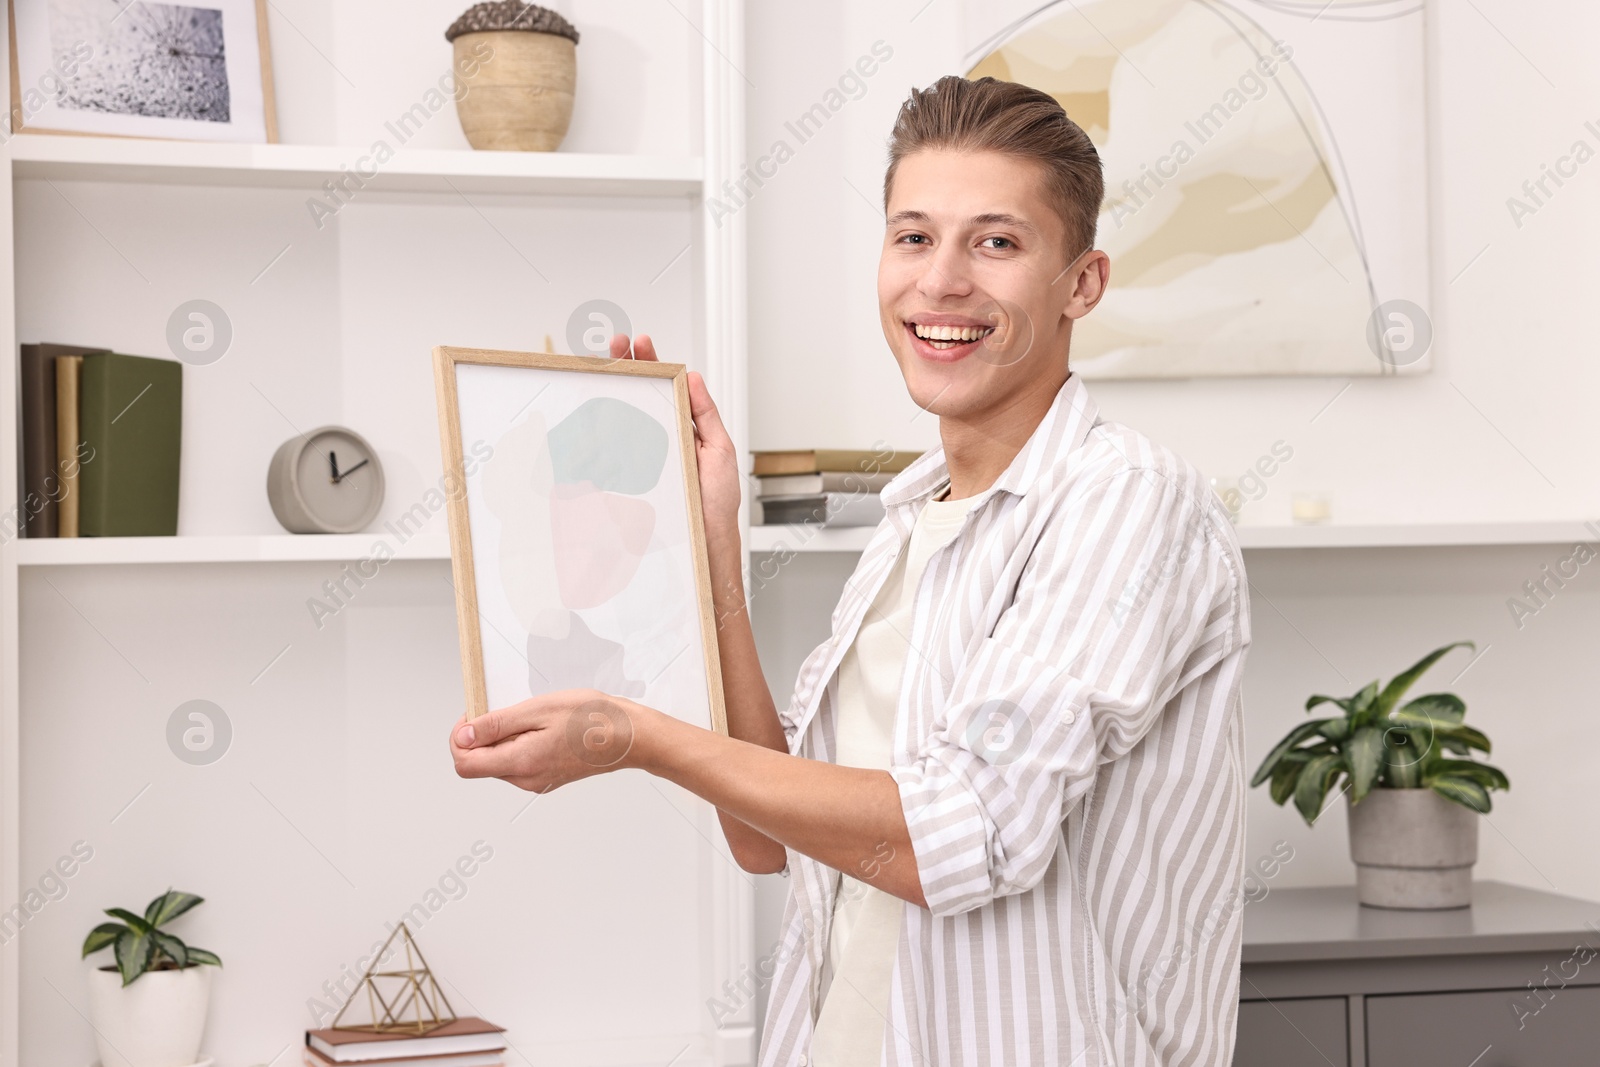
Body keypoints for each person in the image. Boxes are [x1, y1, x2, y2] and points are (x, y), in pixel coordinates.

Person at [450, 75, 1252, 1067]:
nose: (941, 280)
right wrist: (712, 560)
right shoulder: (908, 520)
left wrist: (633, 734)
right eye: (912, 236)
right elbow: (767, 837)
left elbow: (960, 835)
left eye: (995, 242)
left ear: (1080, 282)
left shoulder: (1130, 503)